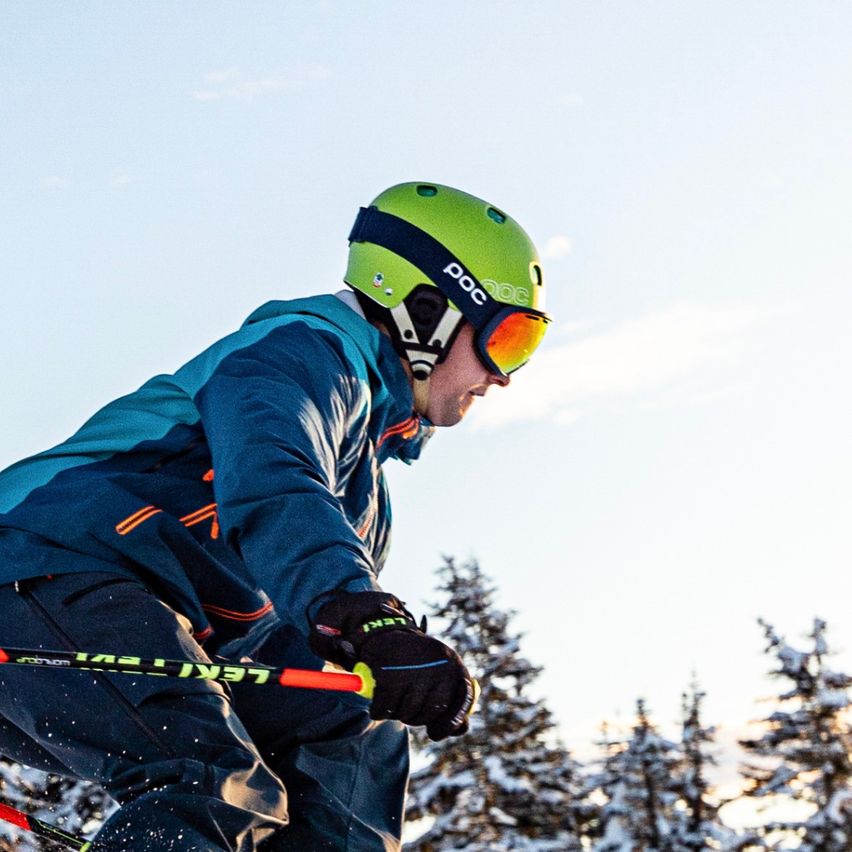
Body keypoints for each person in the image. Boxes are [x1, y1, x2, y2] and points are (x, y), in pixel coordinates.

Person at [0, 182, 550, 850]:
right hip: (43, 571)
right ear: (425, 312)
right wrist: (369, 618)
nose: (505, 375)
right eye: (508, 337)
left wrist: (366, 660)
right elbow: (275, 480)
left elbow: (292, 634)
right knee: (212, 780)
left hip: (131, 623)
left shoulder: (366, 496)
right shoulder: (296, 355)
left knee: (349, 723)